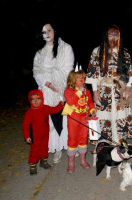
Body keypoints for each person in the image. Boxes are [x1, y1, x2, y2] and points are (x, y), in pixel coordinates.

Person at [86, 24, 132, 143]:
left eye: (116, 35)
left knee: (121, 116)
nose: (113, 39)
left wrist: (128, 88)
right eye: (110, 35)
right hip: (104, 91)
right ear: (106, 36)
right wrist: (94, 92)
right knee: (104, 117)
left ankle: (120, 143)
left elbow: (129, 72)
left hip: (120, 91)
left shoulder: (124, 52)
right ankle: (105, 144)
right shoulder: (97, 51)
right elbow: (93, 73)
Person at [33, 22, 74, 164]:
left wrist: (57, 86)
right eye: (43, 32)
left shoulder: (66, 48)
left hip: (60, 90)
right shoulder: (40, 52)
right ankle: (51, 148)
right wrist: (48, 83)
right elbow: (36, 71)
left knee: (60, 119)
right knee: (47, 122)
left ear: (54, 30)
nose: (47, 34)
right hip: (45, 91)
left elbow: (67, 71)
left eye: (49, 30)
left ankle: (63, 148)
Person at [62, 68, 96, 173]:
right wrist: (79, 92)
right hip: (73, 118)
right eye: (81, 79)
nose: (83, 82)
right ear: (73, 80)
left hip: (83, 118)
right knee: (72, 139)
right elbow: (71, 101)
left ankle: (82, 160)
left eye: (84, 79)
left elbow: (90, 102)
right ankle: (71, 163)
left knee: (83, 138)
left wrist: (92, 110)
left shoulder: (86, 91)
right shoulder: (68, 91)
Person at [22, 90, 63, 175]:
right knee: (35, 150)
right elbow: (25, 125)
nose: (36, 101)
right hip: (34, 135)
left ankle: (43, 161)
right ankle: (32, 164)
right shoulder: (29, 113)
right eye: (33, 99)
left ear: (42, 99)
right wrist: (27, 136)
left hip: (45, 134)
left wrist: (61, 104)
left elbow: (54, 110)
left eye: (38, 99)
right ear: (30, 100)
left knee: (44, 148)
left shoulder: (45, 108)